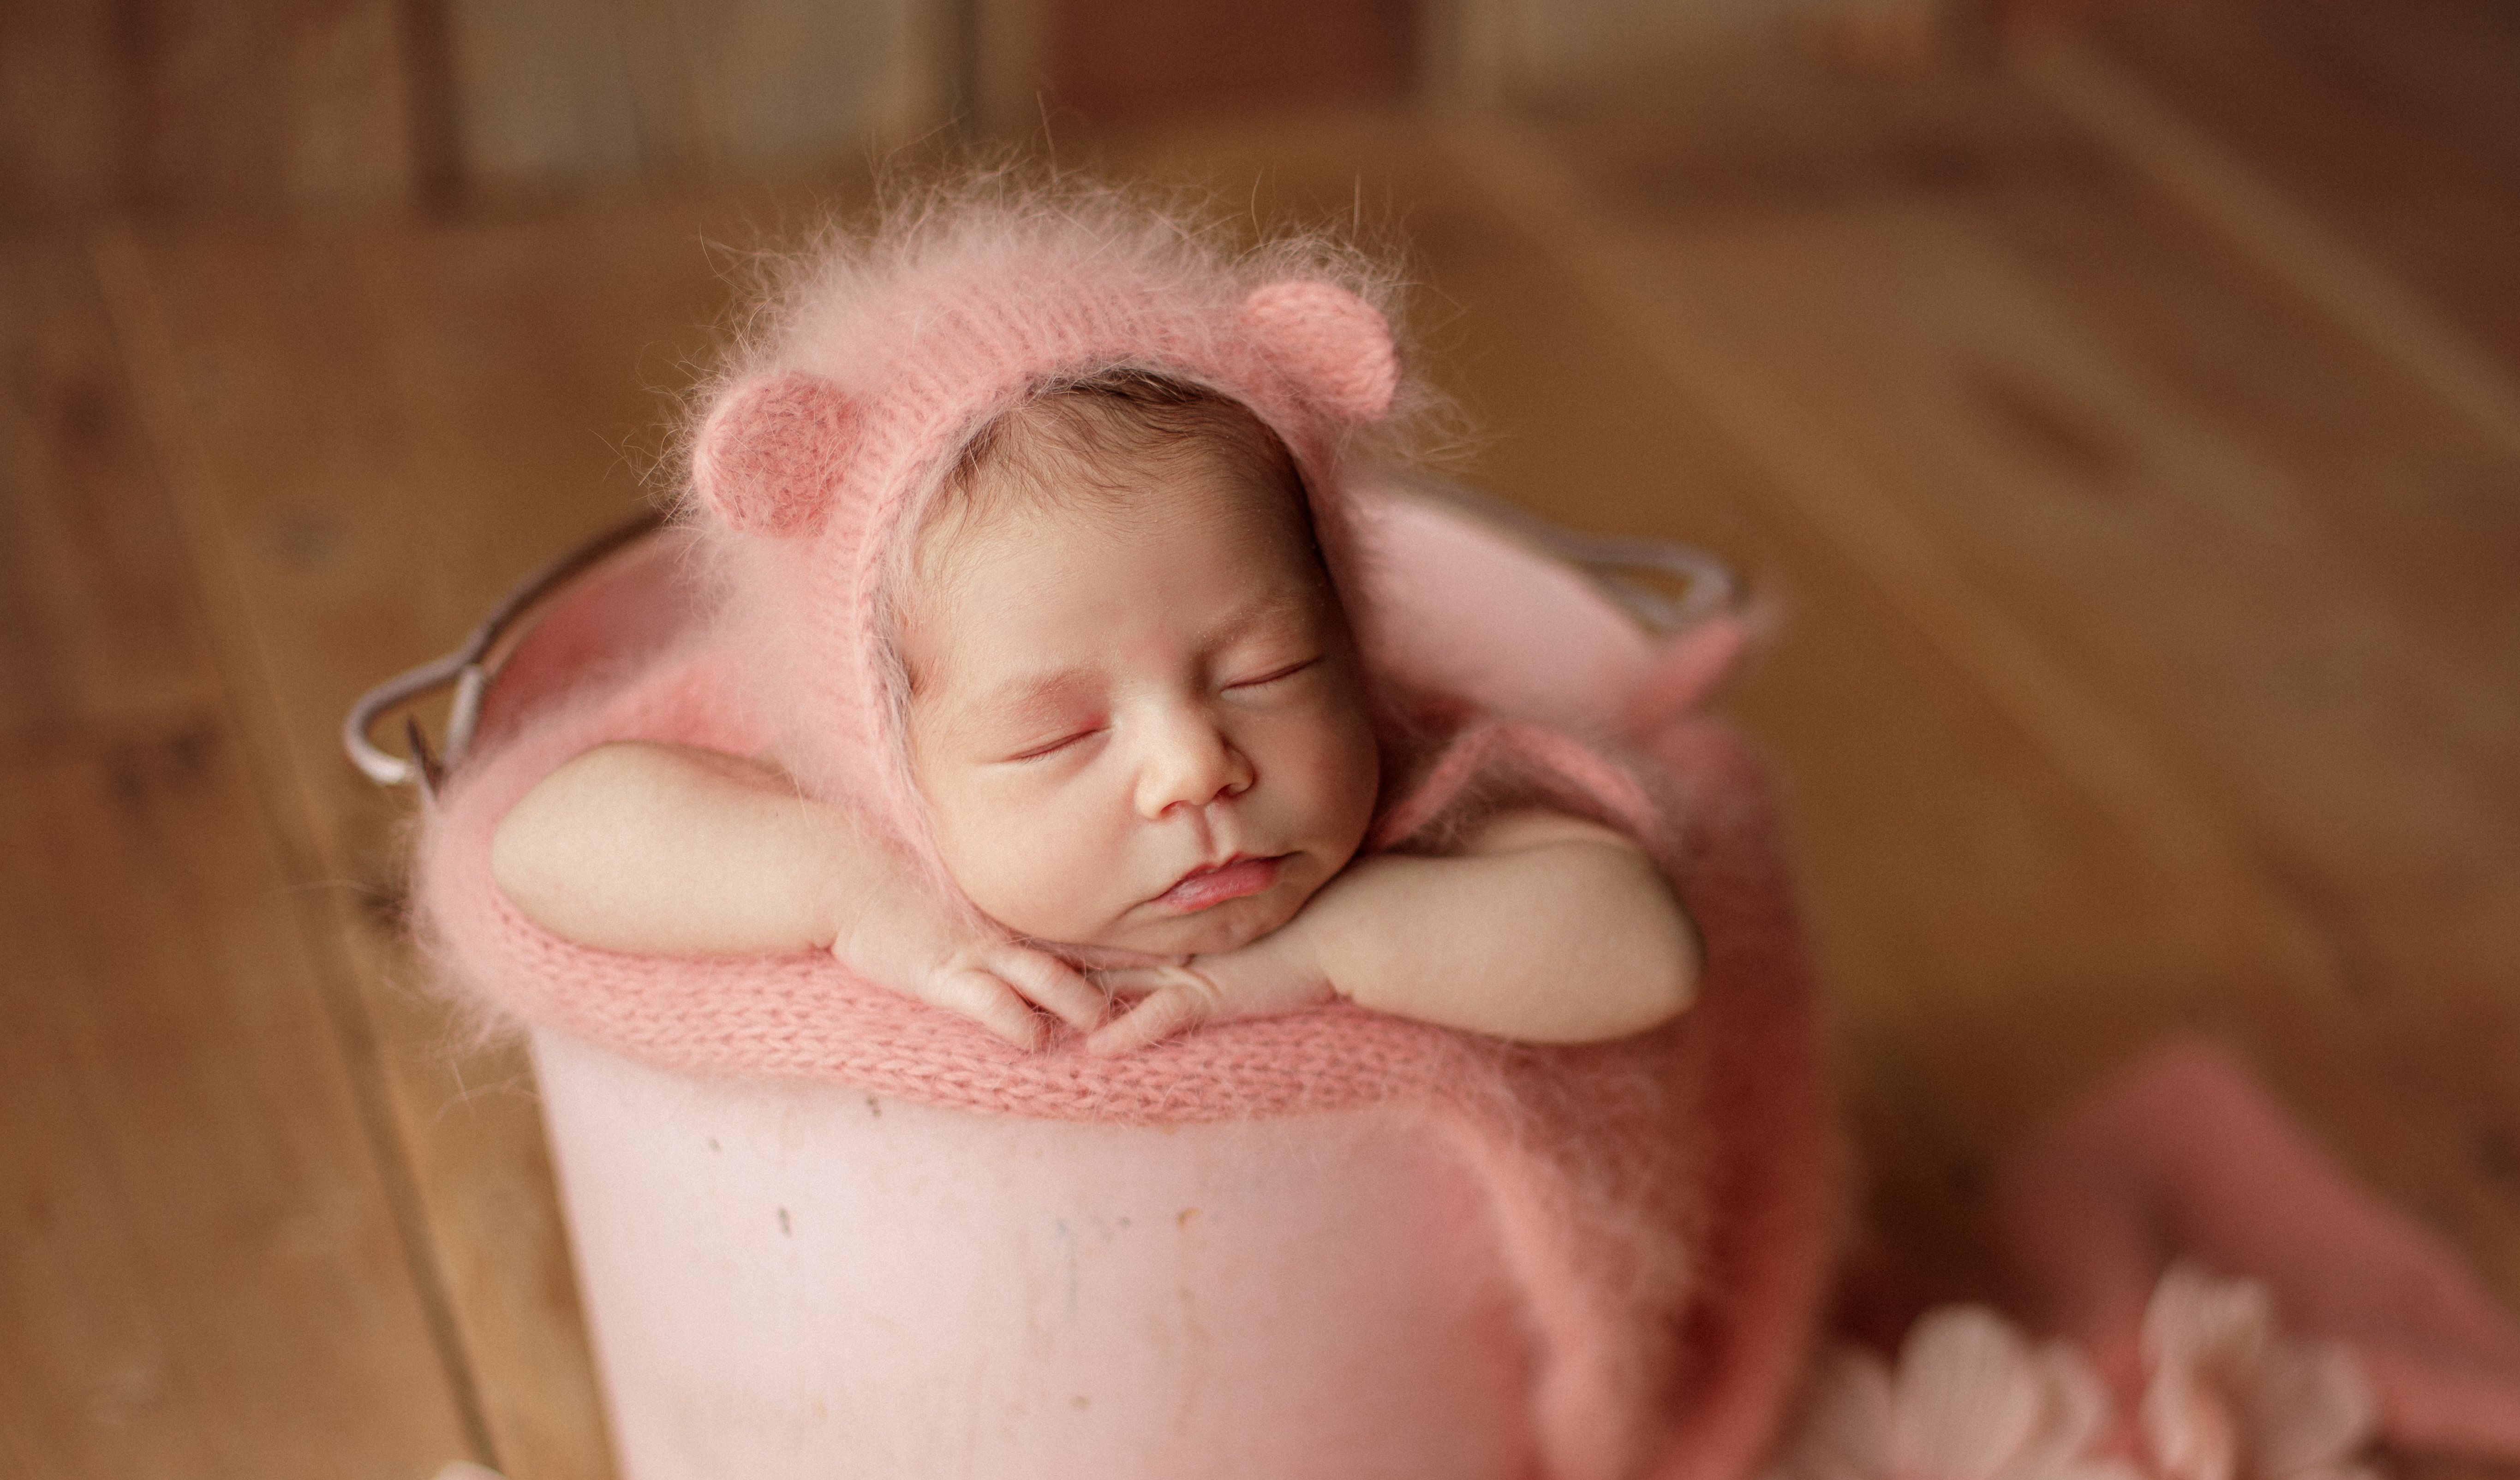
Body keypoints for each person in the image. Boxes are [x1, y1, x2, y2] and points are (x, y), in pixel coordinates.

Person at [488, 211, 1704, 1056]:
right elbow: (541, 842)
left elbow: (1644, 949)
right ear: (892, 761)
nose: (1196, 768)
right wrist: (849, 894)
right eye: (1060, 733)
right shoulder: (866, 828)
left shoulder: (1412, 812)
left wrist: (1347, 943)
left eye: (1270, 672)